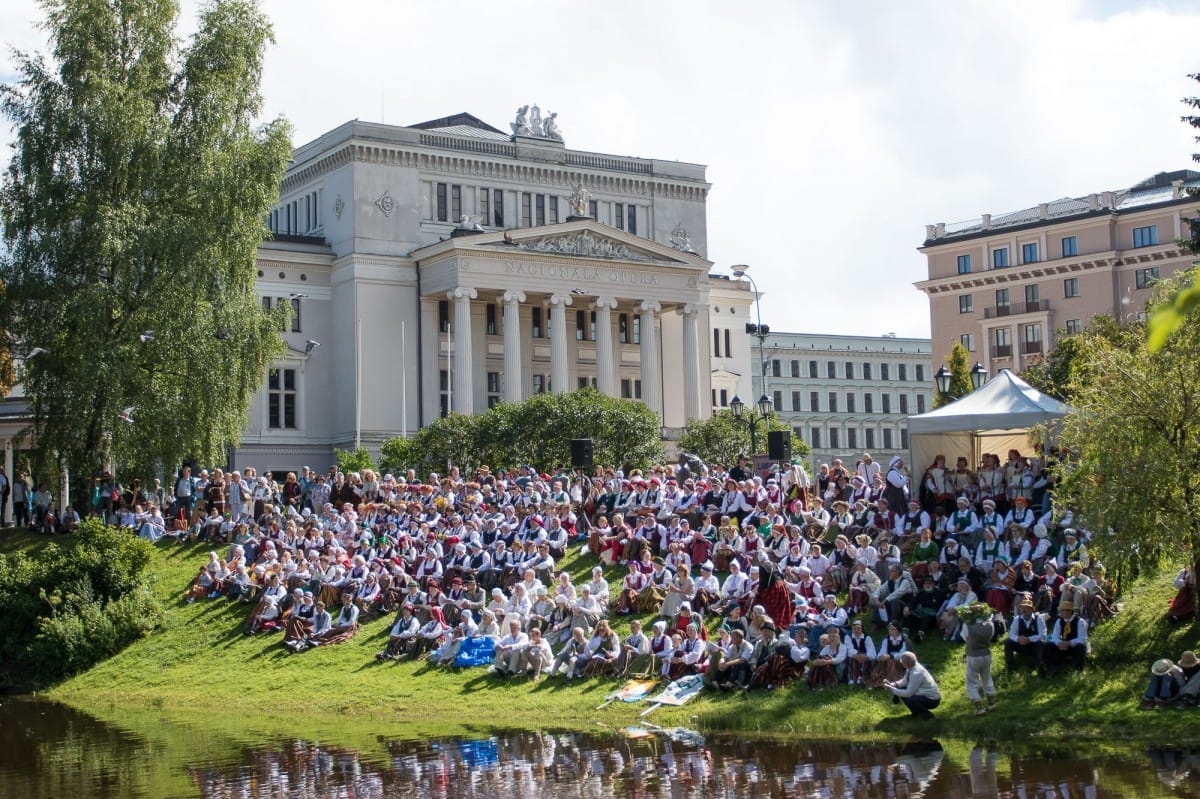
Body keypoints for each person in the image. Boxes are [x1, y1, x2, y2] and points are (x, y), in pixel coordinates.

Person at [959, 602, 997, 715]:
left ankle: (979, 707)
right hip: (986, 654)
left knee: (971, 681)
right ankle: (991, 704)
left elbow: (965, 637)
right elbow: (991, 636)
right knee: (987, 678)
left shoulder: (967, 625)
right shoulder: (990, 624)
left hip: (973, 655)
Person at [884, 651, 941, 719]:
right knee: (903, 691)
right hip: (924, 695)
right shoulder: (912, 666)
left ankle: (929, 716)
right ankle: (916, 713)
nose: (901, 662)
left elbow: (908, 693)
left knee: (911, 699)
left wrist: (891, 689)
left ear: (907, 663)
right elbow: (904, 681)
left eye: (902, 661)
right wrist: (893, 684)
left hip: (932, 700)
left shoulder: (916, 673)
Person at [1042, 599, 1087, 676]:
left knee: (1081, 647)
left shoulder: (1080, 621)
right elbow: (1055, 637)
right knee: (1049, 645)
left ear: (1069, 611)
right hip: (1062, 646)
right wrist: (1059, 643)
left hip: (1074, 647)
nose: (1060, 613)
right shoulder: (1059, 621)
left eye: (1062, 611)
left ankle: (1079, 670)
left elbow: (1082, 639)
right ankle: (1052, 667)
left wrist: (1069, 643)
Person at [1004, 597, 1045, 672]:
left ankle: (1040, 665)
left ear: (1032, 609)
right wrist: (1018, 639)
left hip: (1033, 646)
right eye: (1022, 608)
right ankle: (1010, 666)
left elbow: (1043, 635)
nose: (1024, 610)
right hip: (1020, 645)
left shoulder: (1039, 619)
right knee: (1008, 642)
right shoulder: (1017, 619)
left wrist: (1029, 639)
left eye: (1026, 608)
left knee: (1040, 643)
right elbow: (1011, 634)